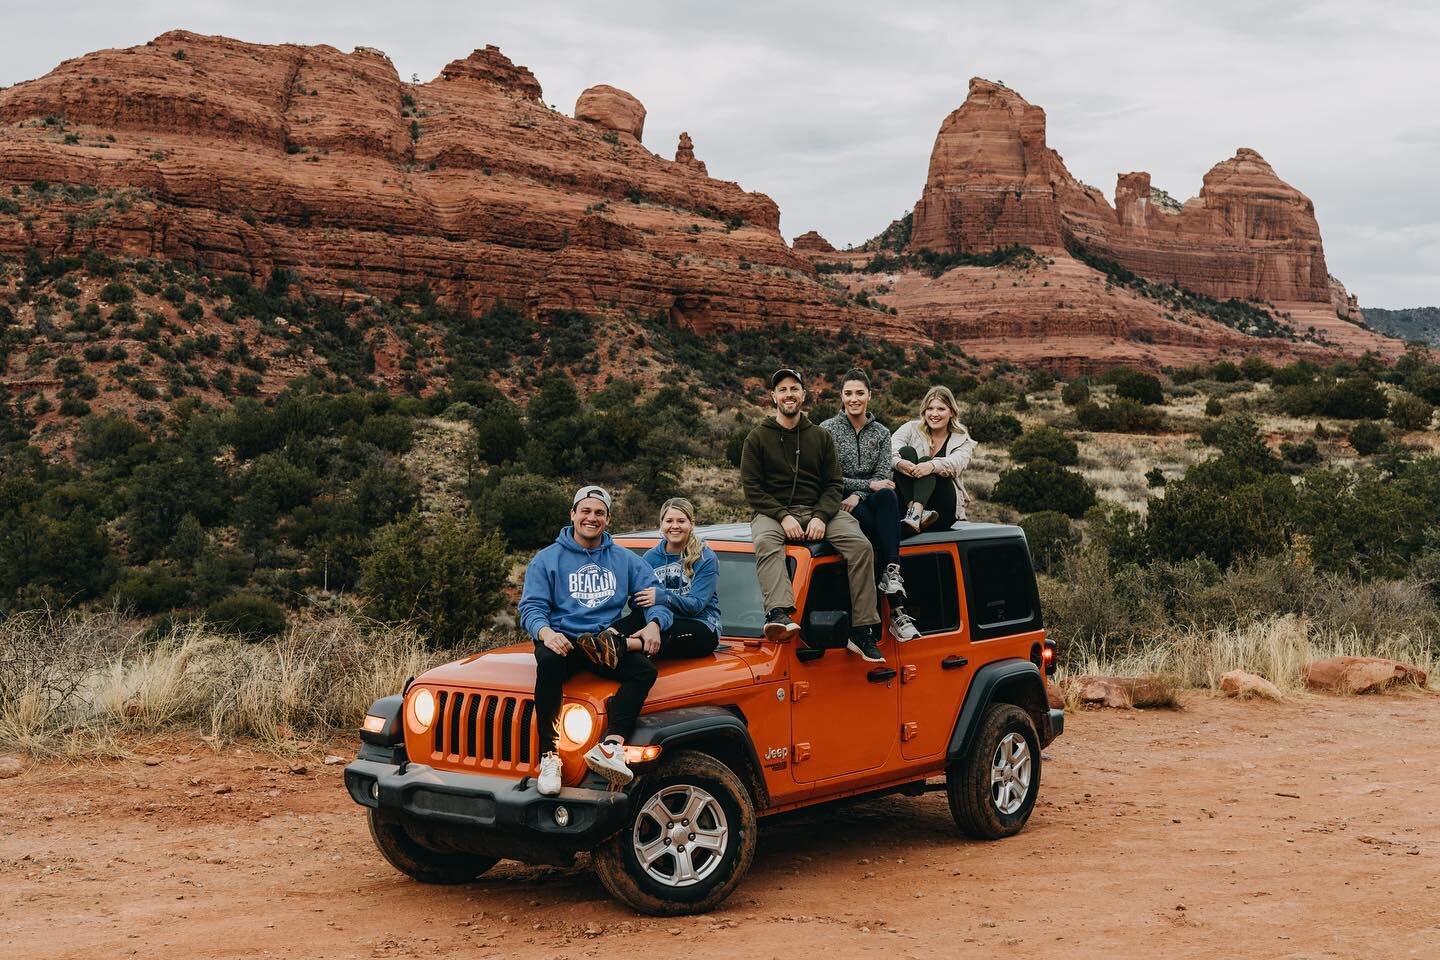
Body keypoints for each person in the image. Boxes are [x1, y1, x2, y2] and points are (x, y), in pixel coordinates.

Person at [518, 485, 671, 796]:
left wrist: (655, 623)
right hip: (561, 638)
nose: (591, 517)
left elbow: (654, 596)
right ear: (573, 514)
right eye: (585, 511)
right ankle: (549, 756)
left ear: (608, 519)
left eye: (599, 513)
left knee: (644, 670)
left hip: (601, 643)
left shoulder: (624, 559)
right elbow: (531, 607)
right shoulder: (547, 559)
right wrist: (546, 633)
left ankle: (612, 745)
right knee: (547, 665)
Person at [739, 367, 885, 663]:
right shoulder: (756, 438)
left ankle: (862, 629)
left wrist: (820, 516)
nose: (789, 394)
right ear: (773, 397)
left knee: (861, 547)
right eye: (782, 390)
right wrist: (782, 516)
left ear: (803, 395)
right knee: (767, 543)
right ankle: (779, 613)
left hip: (820, 509)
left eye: (794, 389)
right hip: (773, 512)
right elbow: (752, 489)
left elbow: (834, 483)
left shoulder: (820, 436)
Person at [820, 369, 920, 642]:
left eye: (860, 393)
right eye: (849, 393)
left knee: (888, 496)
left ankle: (891, 571)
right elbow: (829, 476)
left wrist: (859, 494)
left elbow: (882, 478)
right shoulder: (826, 430)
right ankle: (896, 607)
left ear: (869, 396)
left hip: (866, 501)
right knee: (879, 519)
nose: (854, 399)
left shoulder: (881, 432)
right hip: (841, 502)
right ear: (841, 397)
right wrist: (862, 489)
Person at [629, 497, 723, 658]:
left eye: (681, 521)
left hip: (700, 625)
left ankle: (626, 645)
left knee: (670, 632)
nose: (674, 526)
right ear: (661, 524)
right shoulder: (651, 557)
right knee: (630, 620)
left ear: (691, 524)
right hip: (659, 618)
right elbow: (640, 599)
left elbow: (696, 606)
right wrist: (639, 600)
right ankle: (605, 640)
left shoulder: (705, 557)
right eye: (669, 521)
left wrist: (663, 597)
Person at [891, 385, 977, 533]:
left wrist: (931, 466)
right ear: (924, 411)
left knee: (926, 461)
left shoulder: (963, 440)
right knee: (905, 452)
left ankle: (916, 513)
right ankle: (915, 512)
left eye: (941, 409)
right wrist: (899, 463)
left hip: (941, 508)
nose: (934, 414)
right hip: (905, 505)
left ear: (951, 412)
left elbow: (956, 463)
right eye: (930, 408)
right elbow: (889, 449)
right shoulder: (910, 428)